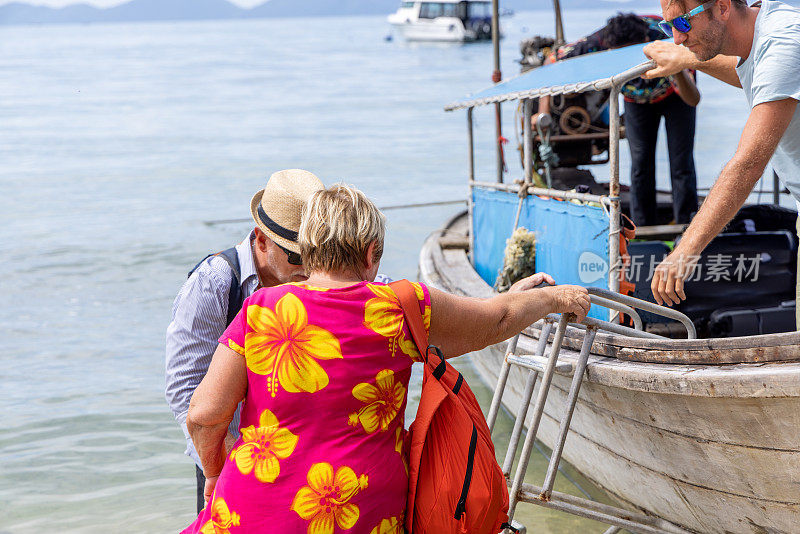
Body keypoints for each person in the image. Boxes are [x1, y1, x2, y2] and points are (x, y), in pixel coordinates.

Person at [180, 184, 590, 533]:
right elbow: (495, 321)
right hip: (362, 513)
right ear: (371, 252)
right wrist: (555, 297)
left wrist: (215, 473)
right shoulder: (402, 306)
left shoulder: (261, 309)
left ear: (307, 249)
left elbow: (204, 414)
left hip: (253, 510)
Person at [165, 169, 324, 514]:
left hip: (302, 466)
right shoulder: (215, 283)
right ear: (262, 240)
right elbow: (184, 390)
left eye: (318, 253)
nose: (311, 266)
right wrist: (223, 463)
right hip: (226, 465)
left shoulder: (320, 279)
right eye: (298, 256)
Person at [642, 0, 800, 326]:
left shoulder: (784, 40)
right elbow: (751, 74)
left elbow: (748, 163)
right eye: (667, 26)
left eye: (683, 24)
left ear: (723, 7)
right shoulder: (761, 32)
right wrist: (688, 59)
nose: (676, 38)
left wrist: (685, 251)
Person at [535, 13, 701, 227]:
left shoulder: (667, 39)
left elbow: (693, 98)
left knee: (681, 163)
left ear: (644, 42)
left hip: (673, 96)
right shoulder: (597, 43)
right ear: (609, 48)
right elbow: (552, 62)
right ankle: (643, 229)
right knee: (640, 165)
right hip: (635, 101)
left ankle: (687, 226)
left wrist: (676, 68)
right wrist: (543, 111)